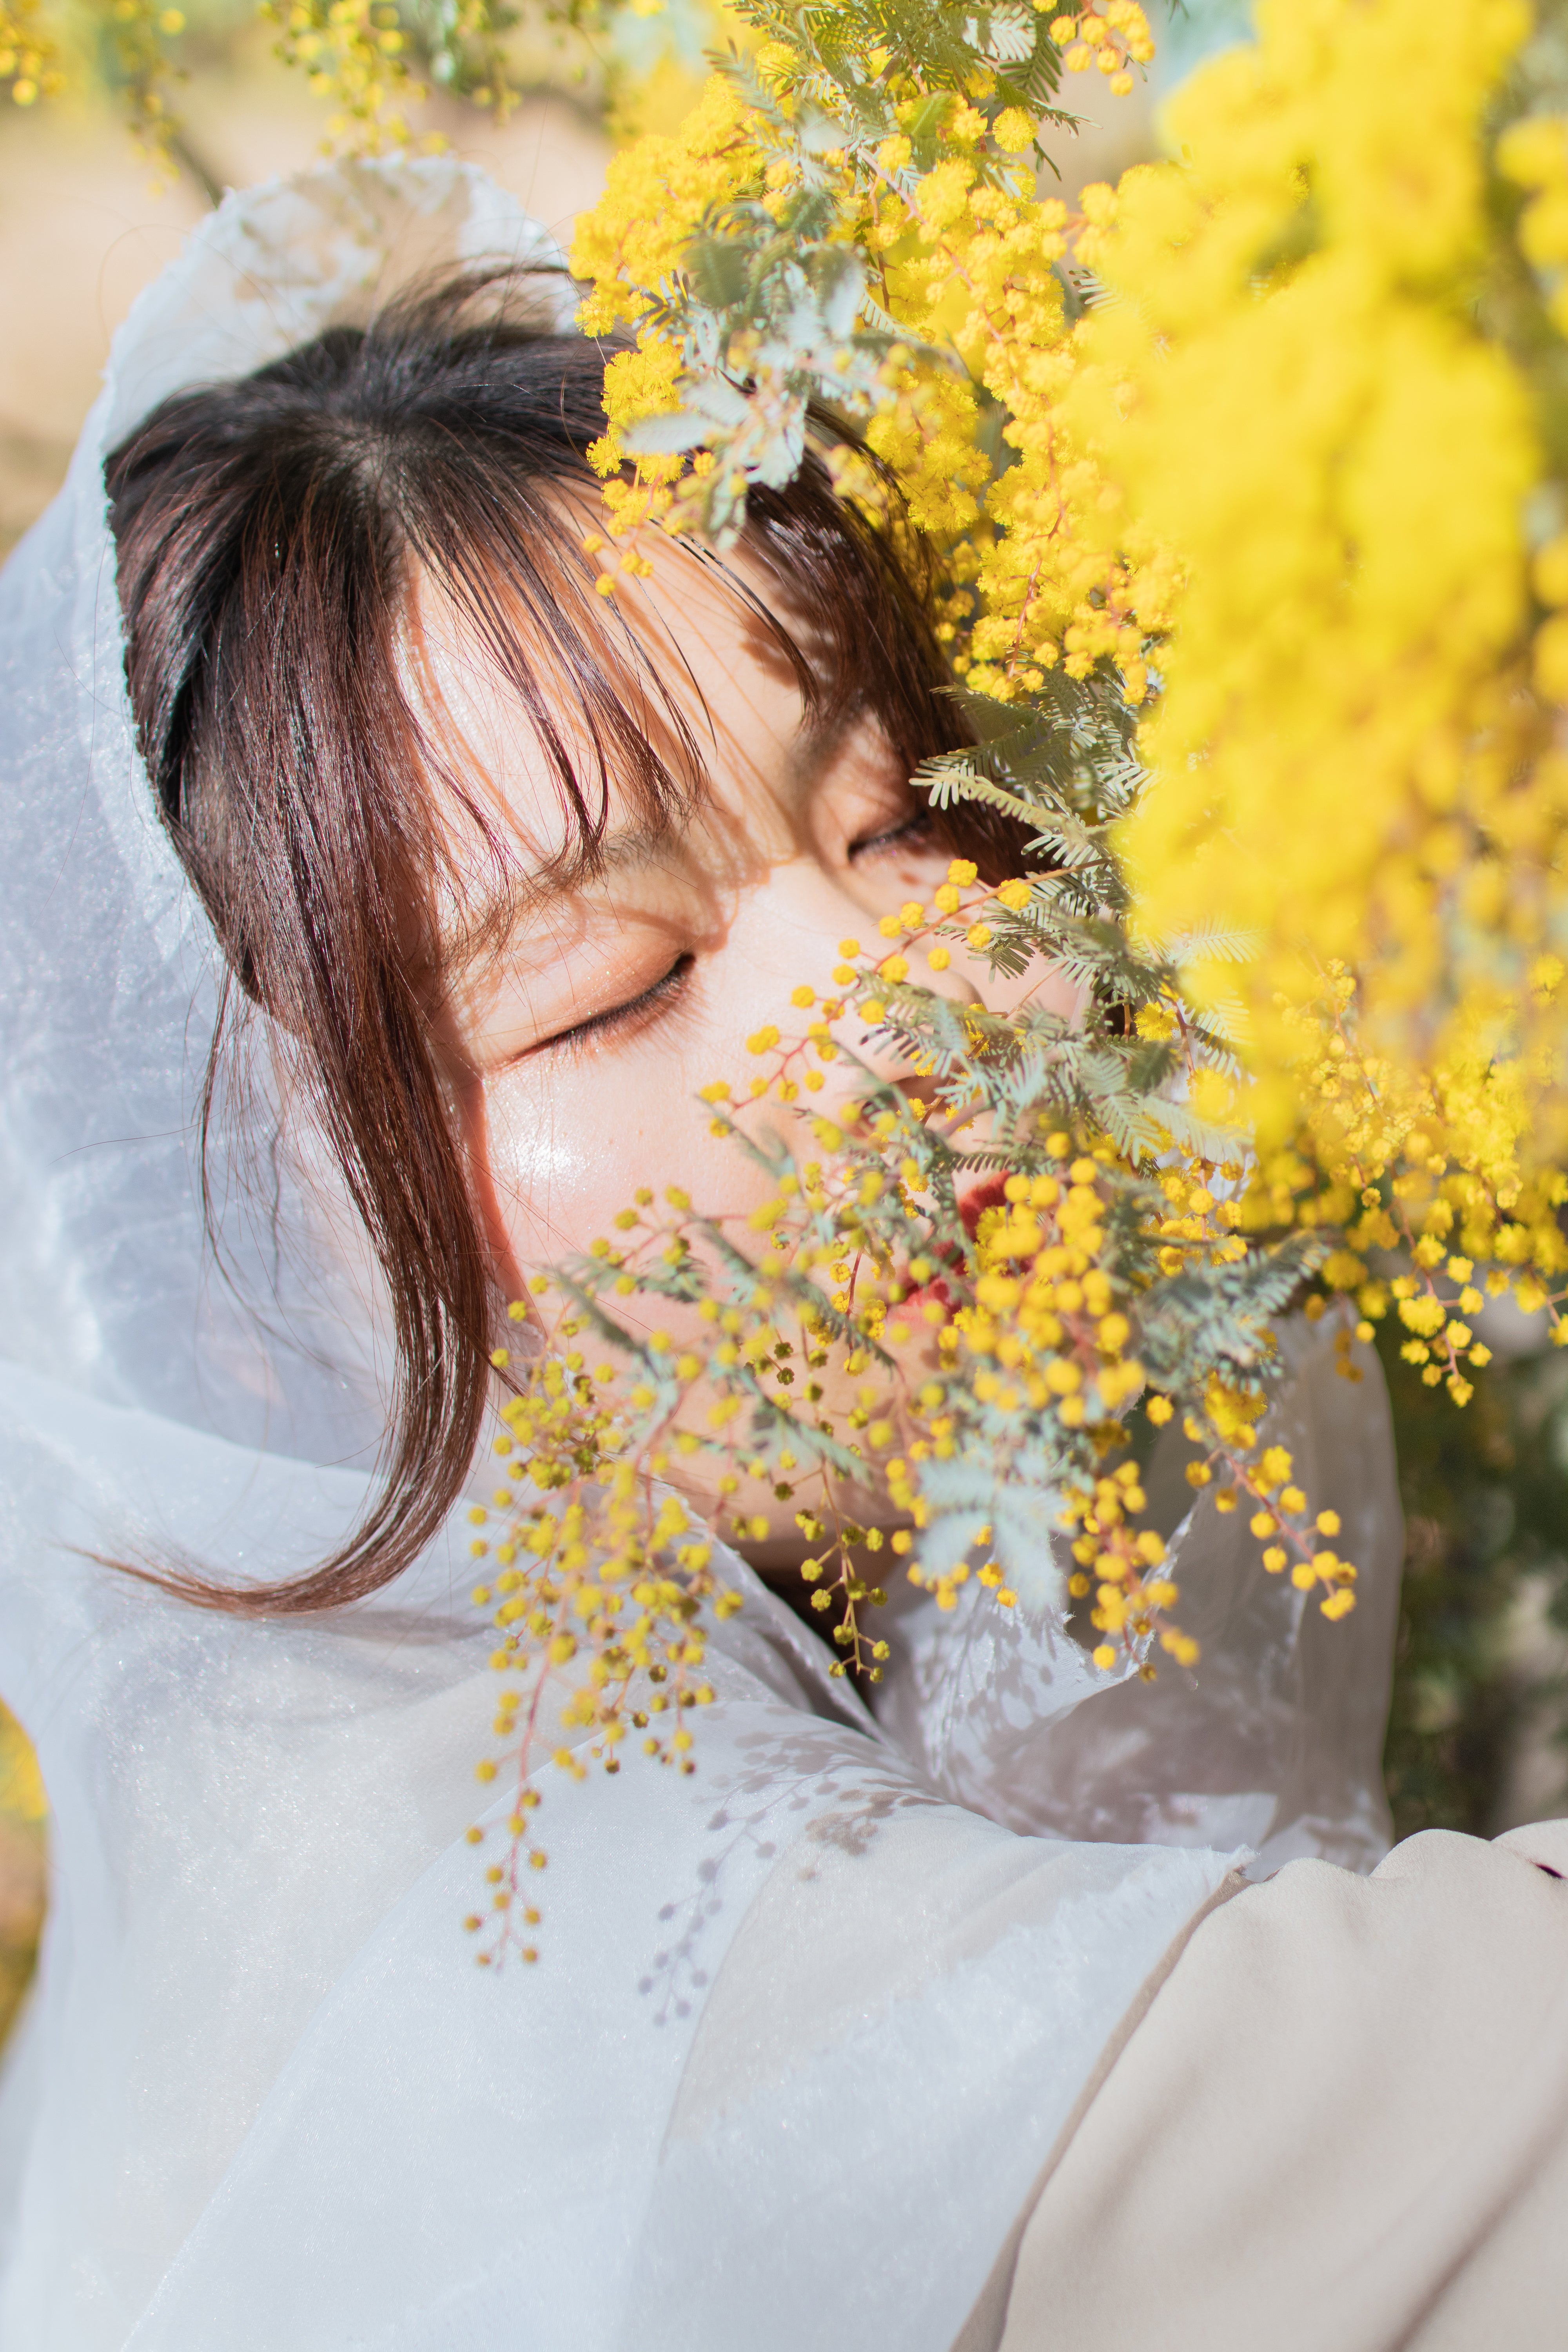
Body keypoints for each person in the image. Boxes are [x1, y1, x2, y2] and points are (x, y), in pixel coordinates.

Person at [0, 157, 1555, 2352]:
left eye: (899, 817)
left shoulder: (324, 1807)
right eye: (617, 984)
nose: (924, 1008)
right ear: (227, 1290)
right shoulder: (598, 1963)